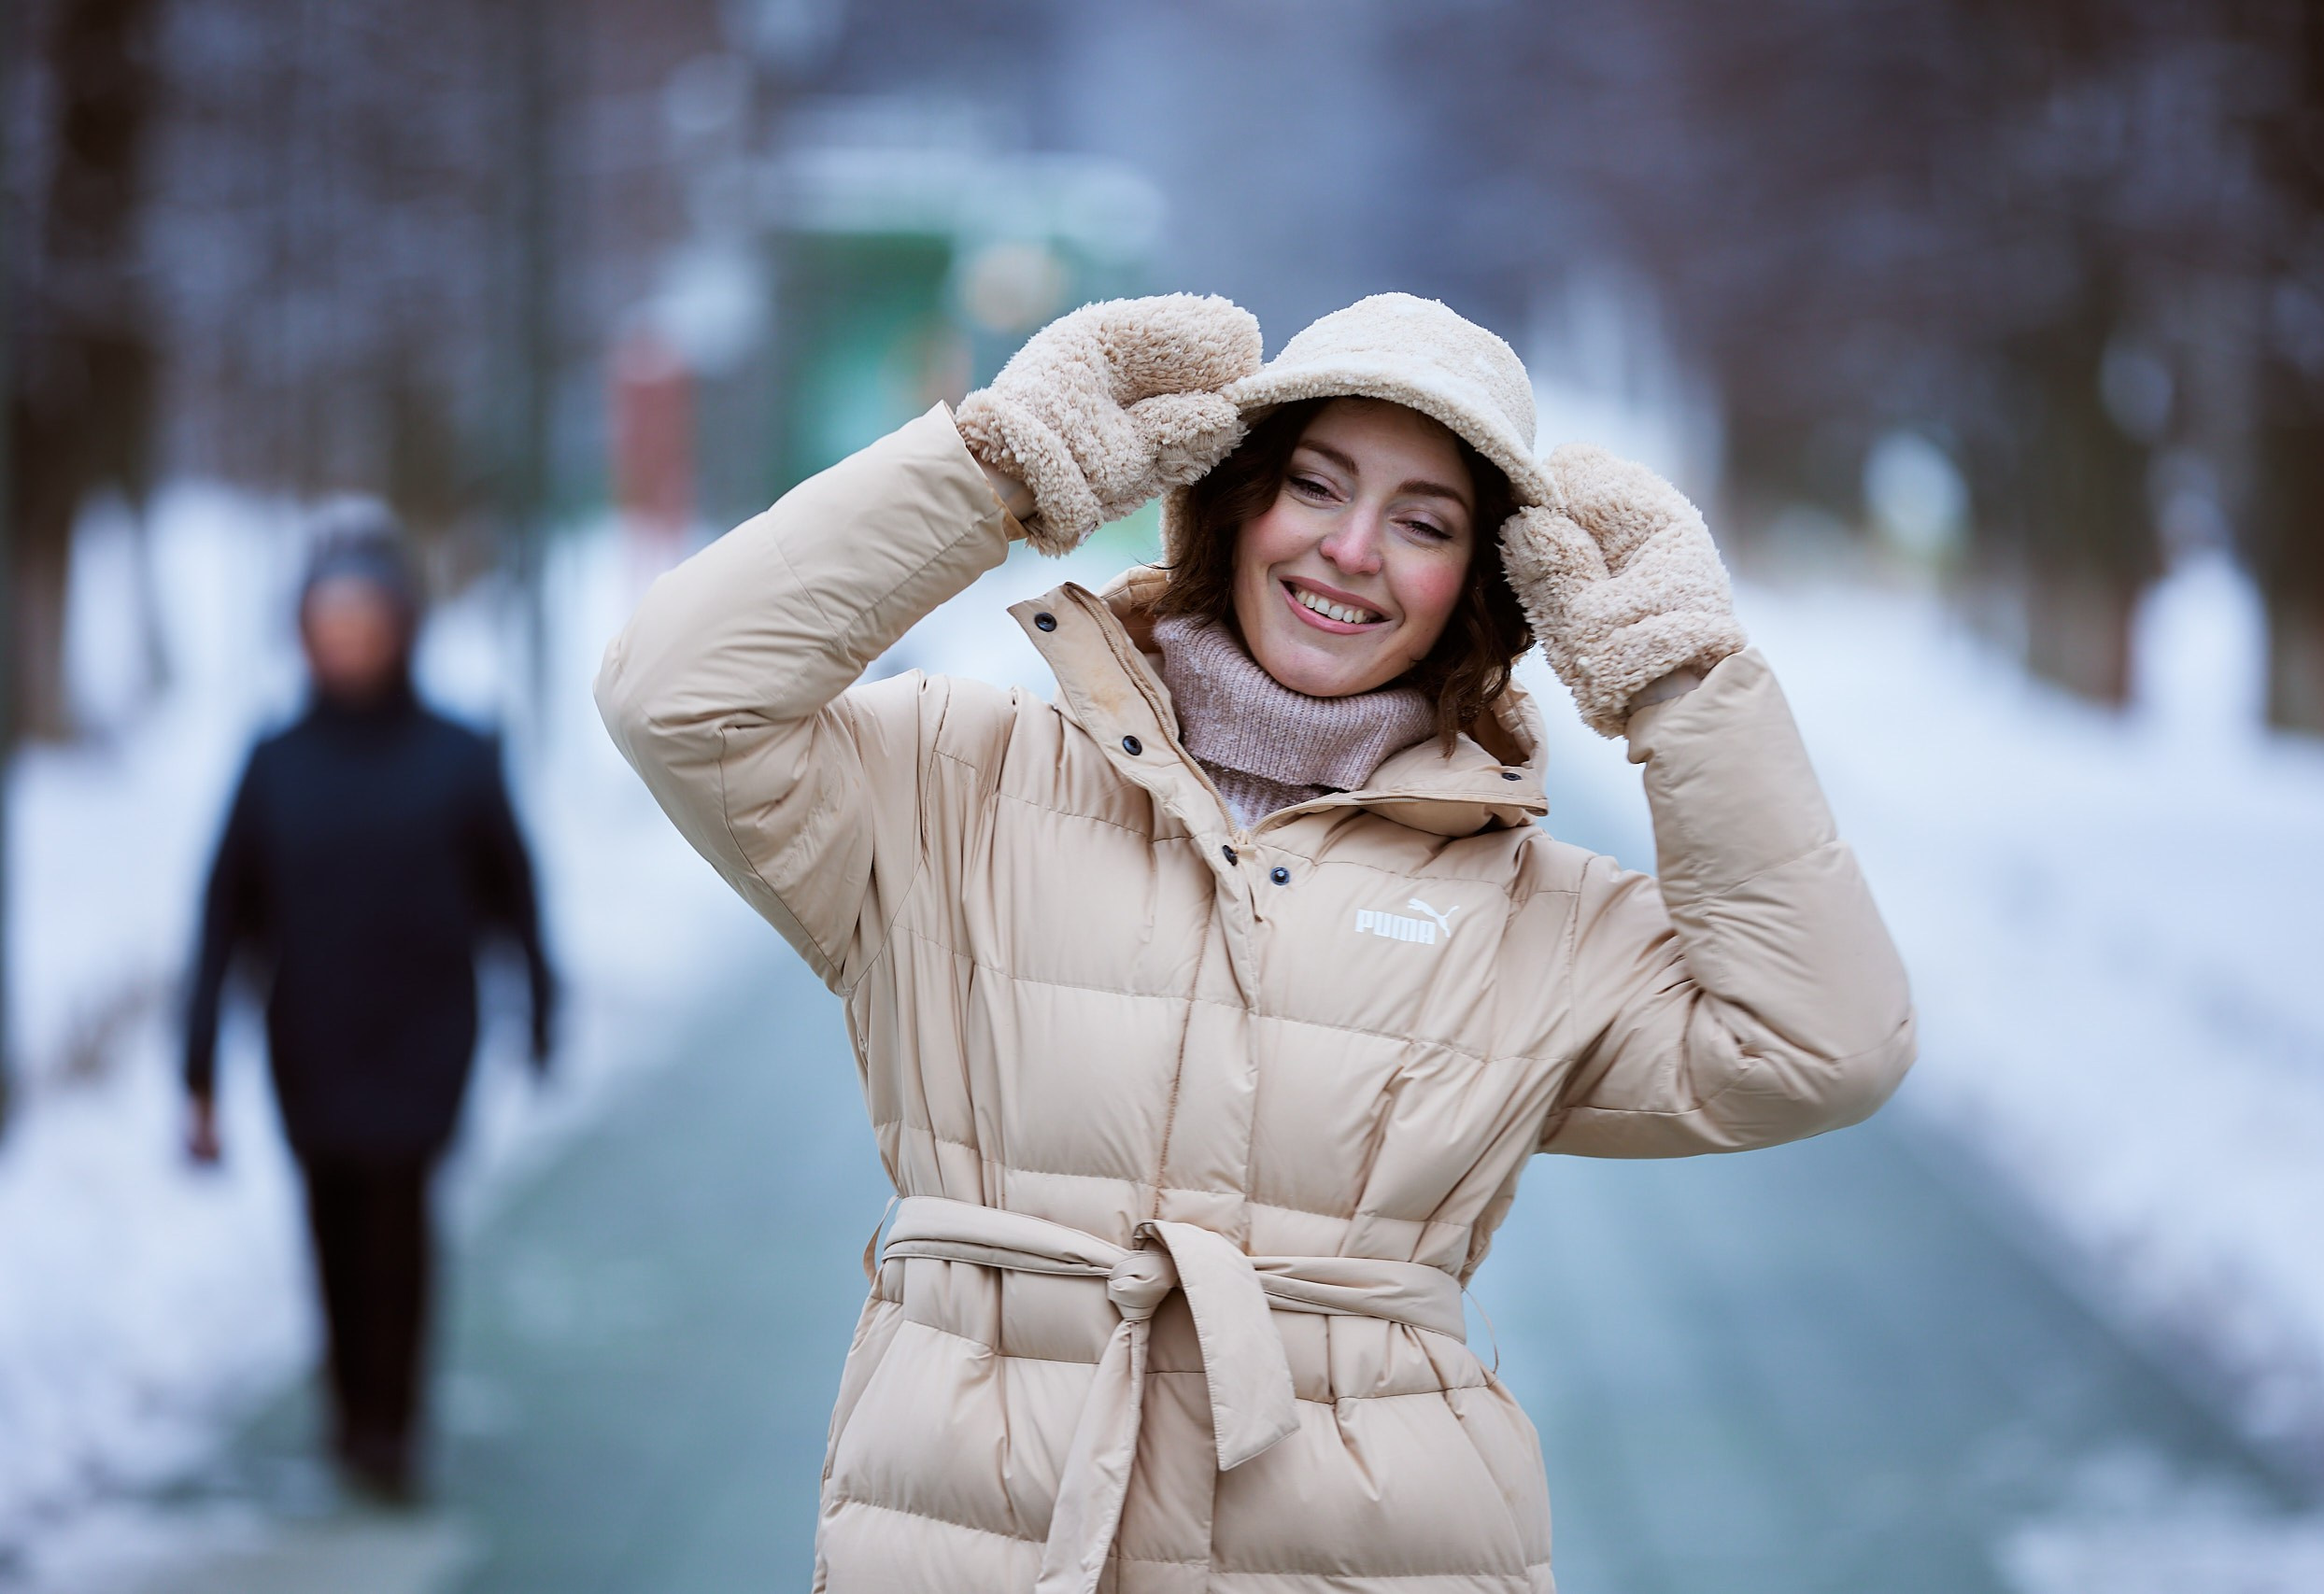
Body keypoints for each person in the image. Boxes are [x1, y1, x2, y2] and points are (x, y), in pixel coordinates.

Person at [596, 293, 1915, 1592]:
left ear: (1484, 586)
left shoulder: (1539, 914)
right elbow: (676, 694)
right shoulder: (958, 777)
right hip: (967, 1534)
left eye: (1425, 522)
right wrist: (995, 467)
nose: (1351, 550)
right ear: (1233, 504)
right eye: (1315, 485)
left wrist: (1680, 680)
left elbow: (1824, 1042)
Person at [185, 523, 554, 1502]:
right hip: (308, 1041)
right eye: (328, 622)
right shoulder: (275, 762)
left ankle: (393, 1424)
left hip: (426, 1041)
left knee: (399, 1225)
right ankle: (350, 1412)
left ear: (402, 627)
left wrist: (543, 1000)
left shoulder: (458, 754)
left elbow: (514, 890)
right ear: (303, 633)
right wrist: (198, 1070)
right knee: (330, 1227)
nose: (345, 639)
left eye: (364, 620)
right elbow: (225, 915)